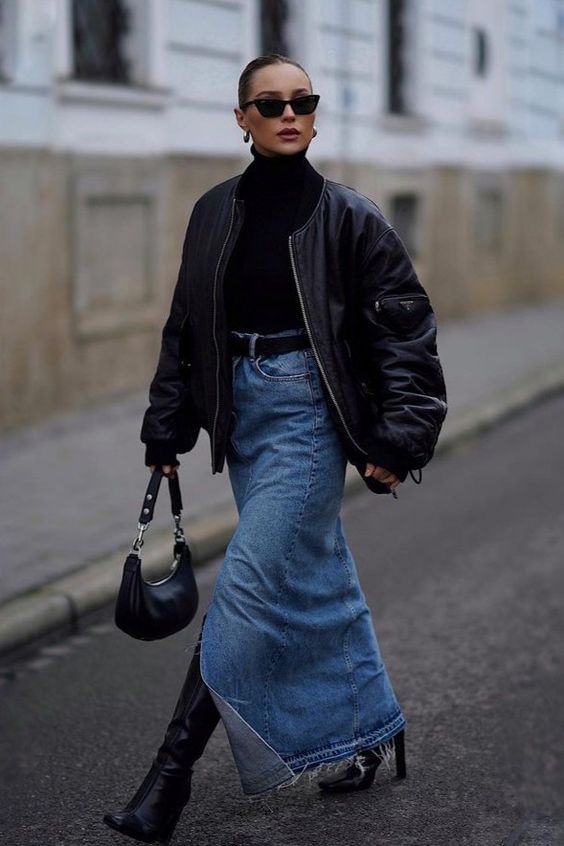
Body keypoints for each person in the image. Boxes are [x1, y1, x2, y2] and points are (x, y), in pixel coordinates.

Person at [103, 53, 447, 844]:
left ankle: (169, 781)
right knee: (317, 577)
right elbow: (186, 328)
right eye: (270, 103)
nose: (289, 113)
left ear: (316, 115)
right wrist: (167, 430)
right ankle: (373, 729)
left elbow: (406, 335)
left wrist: (399, 438)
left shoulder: (351, 216)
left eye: (302, 100)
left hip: (308, 415)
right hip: (244, 420)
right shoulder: (213, 211)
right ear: (243, 120)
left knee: (248, 589)